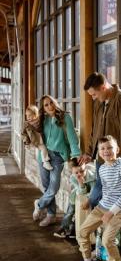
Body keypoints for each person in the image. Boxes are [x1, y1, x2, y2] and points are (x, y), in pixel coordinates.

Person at [79, 72, 121, 209]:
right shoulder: (99, 103)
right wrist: (89, 153)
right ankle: (91, 225)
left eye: (94, 94)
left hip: (116, 160)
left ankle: (87, 225)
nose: (93, 98)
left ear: (103, 87)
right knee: (101, 193)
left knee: (105, 198)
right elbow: (95, 131)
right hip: (101, 158)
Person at [78, 135, 121, 261]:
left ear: (117, 149)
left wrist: (111, 213)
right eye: (102, 148)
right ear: (99, 151)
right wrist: (91, 202)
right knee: (82, 233)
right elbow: (104, 190)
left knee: (107, 241)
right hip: (103, 206)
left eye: (110, 147)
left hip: (120, 210)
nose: (106, 151)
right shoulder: (102, 169)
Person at [33, 95, 81, 227]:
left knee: (53, 187)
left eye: (51, 103)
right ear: (43, 108)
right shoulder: (42, 119)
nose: (49, 107)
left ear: (55, 103)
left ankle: (39, 204)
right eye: (46, 105)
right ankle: (51, 215)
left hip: (57, 157)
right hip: (43, 156)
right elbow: (33, 132)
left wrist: (76, 154)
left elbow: (72, 138)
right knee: (46, 186)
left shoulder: (65, 117)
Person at [53, 157, 96, 238]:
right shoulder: (73, 178)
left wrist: (87, 197)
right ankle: (64, 228)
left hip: (88, 199)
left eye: (82, 171)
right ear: (72, 172)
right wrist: (81, 183)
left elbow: (93, 192)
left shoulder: (92, 177)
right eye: (76, 173)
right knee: (70, 213)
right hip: (75, 198)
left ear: (85, 167)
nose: (79, 174)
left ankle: (74, 231)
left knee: (81, 214)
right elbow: (81, 192)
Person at [21, 105, 53, 171]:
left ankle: (41, 158)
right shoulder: (26, 124)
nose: (28, 117)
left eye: (30, 115)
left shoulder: (39, 121)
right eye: (27, 115)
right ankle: (45, 162)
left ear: (35, 115)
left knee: (41, 150)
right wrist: (26, 141)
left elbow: (44, 116)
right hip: (35, 141)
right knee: (43, 148)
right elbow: (23, 134)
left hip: (42, 138)